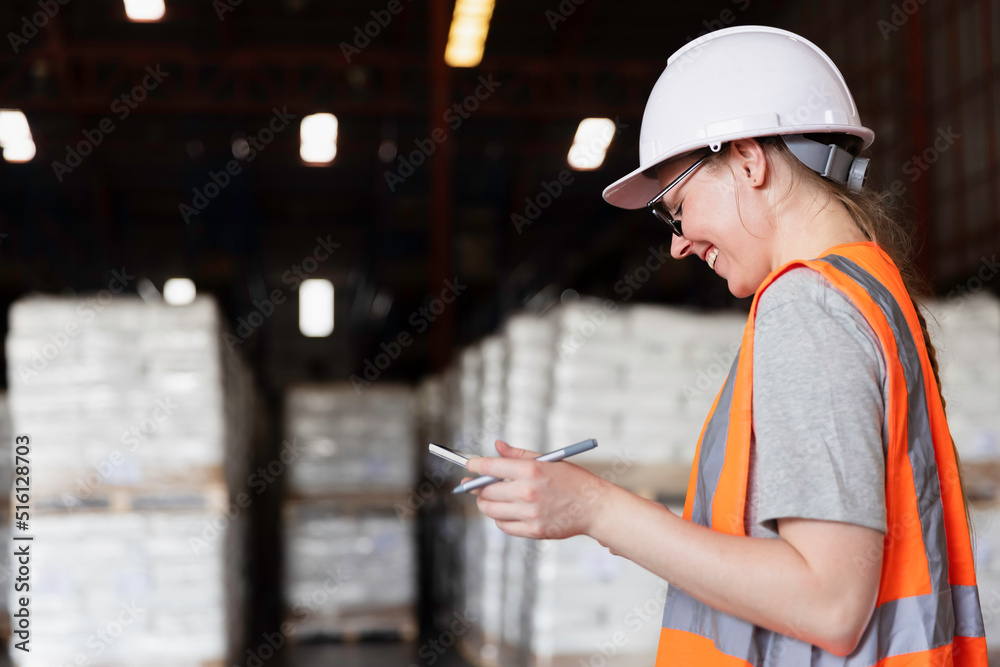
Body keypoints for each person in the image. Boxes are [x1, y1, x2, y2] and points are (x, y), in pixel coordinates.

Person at [462, 25, 988, 665]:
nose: (679, 243)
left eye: (679, 206)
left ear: (748, 159)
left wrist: (595, 509)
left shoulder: (809, 308)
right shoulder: (869, 289)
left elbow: (829, 603)